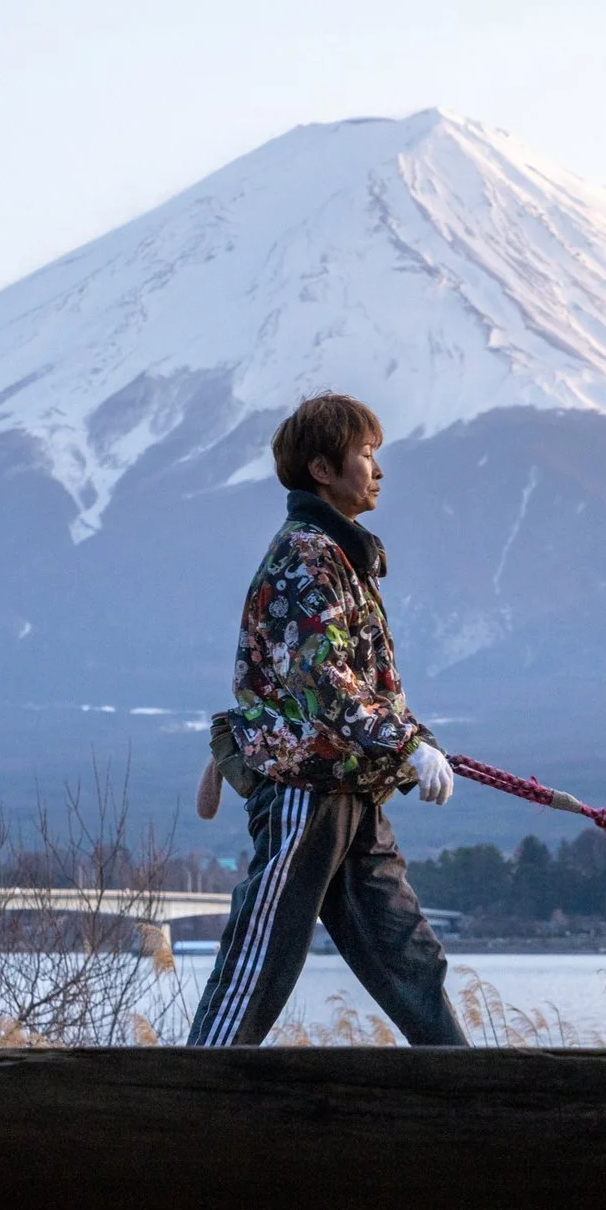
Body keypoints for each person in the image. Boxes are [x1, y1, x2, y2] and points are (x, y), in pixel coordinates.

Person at [188, 392, 468, 1047]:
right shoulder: (307, 560)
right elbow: (328, 682)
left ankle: (468, 1098)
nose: (378, 469)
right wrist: (411, 744)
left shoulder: (343, 557)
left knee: (409, 959)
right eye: (367, 454)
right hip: (304, 788)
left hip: (350, 787)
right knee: (260, 960)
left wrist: (407, 745)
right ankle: (189, 1100)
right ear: (323, 468)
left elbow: (354, 687)